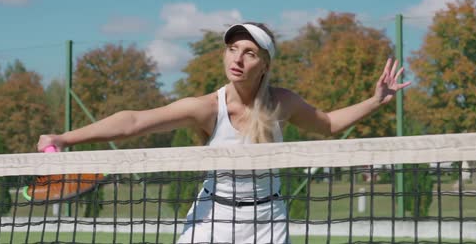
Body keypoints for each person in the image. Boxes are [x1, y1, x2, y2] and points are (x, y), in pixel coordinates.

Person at [37, 22, 411, 243]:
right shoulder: (206, 107)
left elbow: (328, 124)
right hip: (211, 218)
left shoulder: (282, 102)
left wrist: (377, 99)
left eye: (249, 52)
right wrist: (64, 139)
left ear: (263, 64)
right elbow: (133, 121)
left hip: (268, 222)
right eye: (232, 49)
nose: (237, 58)